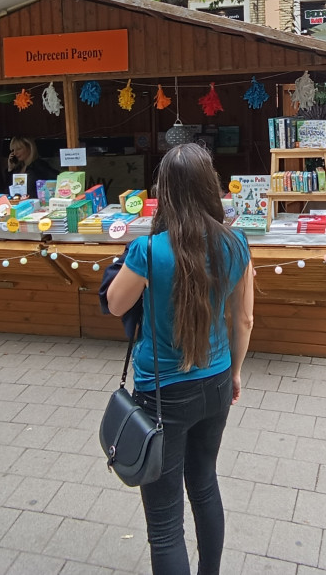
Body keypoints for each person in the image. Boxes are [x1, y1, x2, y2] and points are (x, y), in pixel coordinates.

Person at [107, 143, 255, 574]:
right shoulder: (236, 243)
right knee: (205, 485)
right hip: (217, 381)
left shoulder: (148, 251)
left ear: (165, 192)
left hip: (161, 394)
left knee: (165, 524)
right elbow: (244, 319)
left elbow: (116, 305)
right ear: (210, 186)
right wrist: (235, 373)